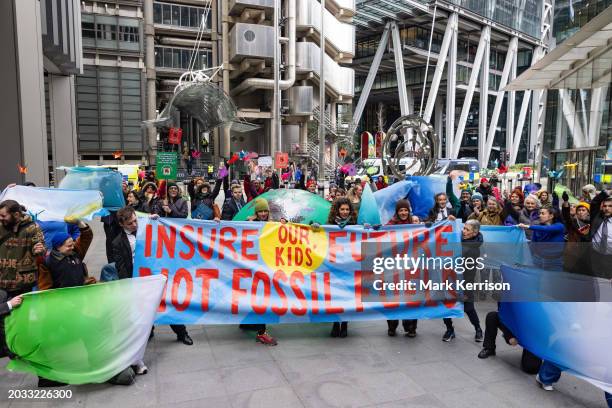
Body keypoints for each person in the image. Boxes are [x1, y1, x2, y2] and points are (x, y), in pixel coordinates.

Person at [242, 199, 278, 345]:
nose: (263, 214)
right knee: (259, 299)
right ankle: (261, 333)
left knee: (262, 299)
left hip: (266, 267)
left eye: (265, 211)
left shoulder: (272, 224)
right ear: (256, 212)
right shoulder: (250, 224)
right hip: (253, 268)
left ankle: (249, 324)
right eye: (260, 211)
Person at [441, 219, 483, 342]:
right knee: (446, 306)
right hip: (449, 279)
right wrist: (449, 221)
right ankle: (449, 330)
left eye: (466, 229)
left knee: (468, 308)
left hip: (465, 282)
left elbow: (470, 273)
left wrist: (464, 291)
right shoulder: (459, 239)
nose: (463, 231)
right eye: (463, 228)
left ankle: (478, 329)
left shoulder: (473, 249)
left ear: (475, 233)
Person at [385, 200, 418, 337]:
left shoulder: (416, 224)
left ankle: (410, 327)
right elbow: (379, 235)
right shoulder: (390, 225)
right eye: (401, 211)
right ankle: (392, 326)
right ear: (397, 212)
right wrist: (371, 228)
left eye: (406, 210)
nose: (403, 213)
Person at [327, 197, 357, 338]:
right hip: (334, 265)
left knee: (346, 296)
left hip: (349, 266)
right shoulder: (329, 225)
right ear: (337, 210)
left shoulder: (356, 225)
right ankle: (335, 322)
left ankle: (344, 323)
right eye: (342, 209)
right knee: (334, 296)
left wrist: (370, 228)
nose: (345, 212)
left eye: (347, 209)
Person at [43, 221, 95, 289]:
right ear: (58, 247)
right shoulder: (49, 262)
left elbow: (87, 236)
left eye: (73, 245)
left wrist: (79, 222)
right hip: (63, 297)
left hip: (81, 293)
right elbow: (45, 287)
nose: (72, 248)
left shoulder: (75, 253)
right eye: (69, 246)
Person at [560, 192, 590, 274]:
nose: (580, 212)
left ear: (588, 212)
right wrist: (566, 202)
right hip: (573, 255)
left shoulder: (593, 223)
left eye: (583, 210)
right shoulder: (573, 222)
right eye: (579, 210)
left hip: (588, 257)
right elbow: (566, 216)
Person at [589, 189, 612, 279]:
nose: (607, 208)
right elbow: (594, 203)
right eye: (605, 206)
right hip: (596, 255)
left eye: (610, 206)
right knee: (596, 281)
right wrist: (608, 192)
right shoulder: (596, 217)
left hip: (610, 258)